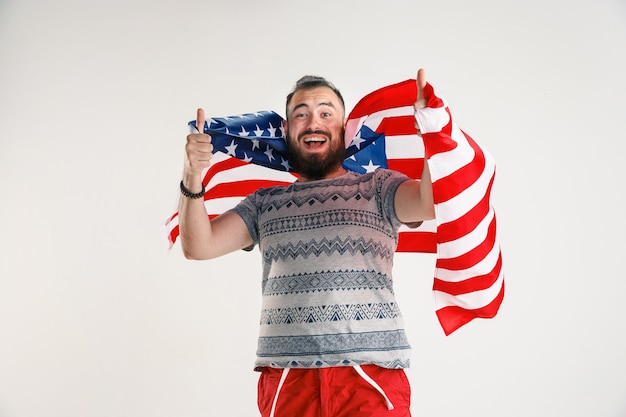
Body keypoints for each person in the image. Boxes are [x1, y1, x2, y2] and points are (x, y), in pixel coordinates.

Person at [177, 69, 435, 417]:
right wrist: (192, 176)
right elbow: (198, 246)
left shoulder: (378, 187)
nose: (313, 122)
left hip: (368, 376)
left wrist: (433, 137)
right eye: (301, 114)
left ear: (344, 129)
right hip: (287, 378)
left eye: (326, 113)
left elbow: (429, 203)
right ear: (287, 130)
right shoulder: (264, 203)